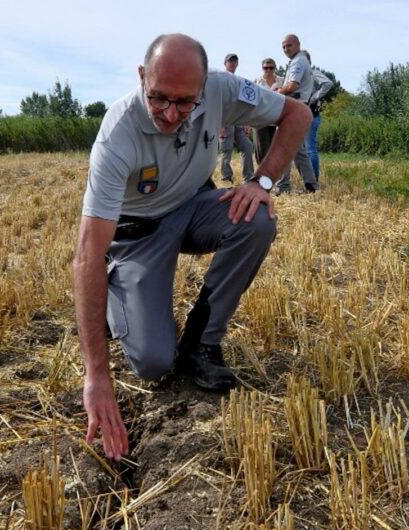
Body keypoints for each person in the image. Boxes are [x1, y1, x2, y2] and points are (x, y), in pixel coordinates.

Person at [74, 33, 312, 461]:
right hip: (138, 233)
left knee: (256, 218)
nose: (170, 115)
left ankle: (202, 342)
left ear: (204, 88)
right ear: (142, 76)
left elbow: (298, 113)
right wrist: (97, 375)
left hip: (192, 206)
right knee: (151, 363)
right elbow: (88, 254)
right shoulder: (117, 135)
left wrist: (261, 181)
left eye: (185, 103)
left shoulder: (223, 88)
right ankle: (120, 294)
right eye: (159, 99)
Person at [274, 34, 318, 193]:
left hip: (293, 108)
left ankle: (283, 187)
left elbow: (291, 86)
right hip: (299, 108)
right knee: (299, 151)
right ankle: (311, 185)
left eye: (289, 45)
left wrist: (277, 90)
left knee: (282, 147)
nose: (286, 49)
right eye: (284, 47)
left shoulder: (299, 61)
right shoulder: (299, 60)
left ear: (298, 45)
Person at [218, 53, 255, 184]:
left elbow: (244, 103)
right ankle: (226, 177)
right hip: (226, 122)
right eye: (230, 61)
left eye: (235, 61)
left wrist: (247, 123)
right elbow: (218, 104)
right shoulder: (219, 80)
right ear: (225, 63)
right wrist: (220, 125)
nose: (232, 63)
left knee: (248, 146)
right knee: (226, 150)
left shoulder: (240, 81)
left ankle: (249, 178)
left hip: (238, 121)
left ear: (237, 64)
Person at [304, 50, 334, 181]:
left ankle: (314, 181)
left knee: (310, 149)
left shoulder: (312, 72)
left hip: (311, 114)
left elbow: (328, 83)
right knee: (303, 150)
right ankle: (309, 179)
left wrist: (314, 97)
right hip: (302, 116)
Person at [253, 58, 283, 165]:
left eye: (271, 68)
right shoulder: (257, 82)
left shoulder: (282, 81)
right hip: (260, 119)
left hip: (277, 119)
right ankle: (261, 176)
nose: (268, 70)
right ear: (262, 68)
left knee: (274, 150)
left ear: (275, 68)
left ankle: (271, 176)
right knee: (261, 151)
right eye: (266, 68)